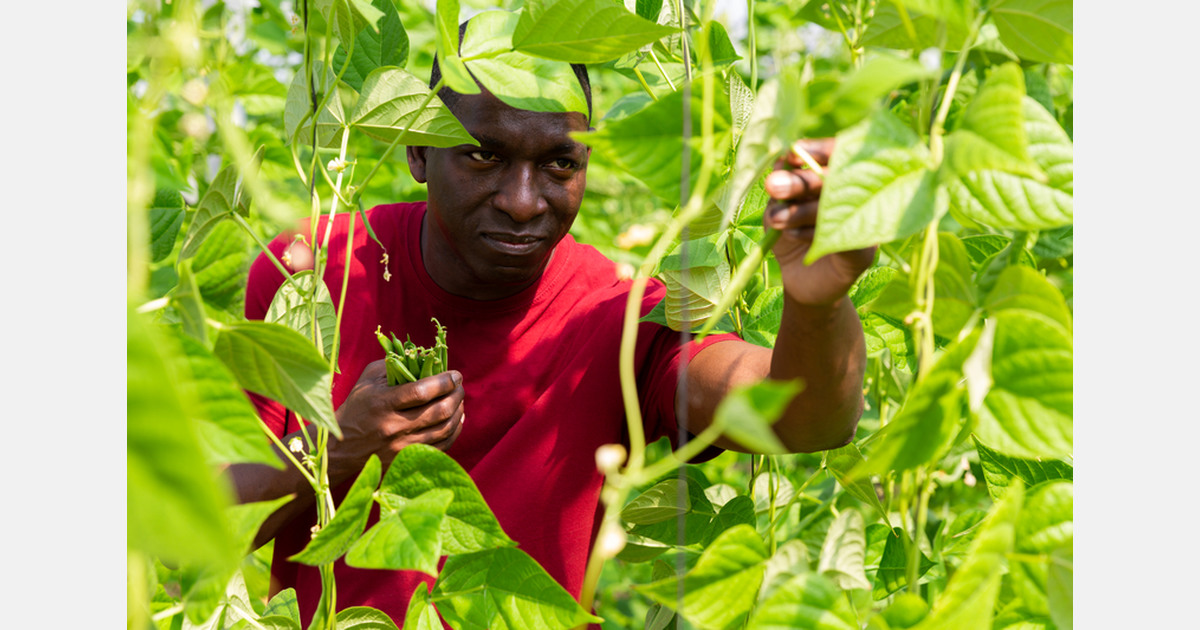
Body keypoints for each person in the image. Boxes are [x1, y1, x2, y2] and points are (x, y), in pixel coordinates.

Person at [231, 51, 875, 626]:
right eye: (484, 154)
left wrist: (818, 300)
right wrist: (335, 448)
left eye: (559, 163)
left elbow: (807, 420)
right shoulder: (313, 274)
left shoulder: (619, 319)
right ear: (418, 152)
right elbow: (209, 509)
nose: (522, 201)